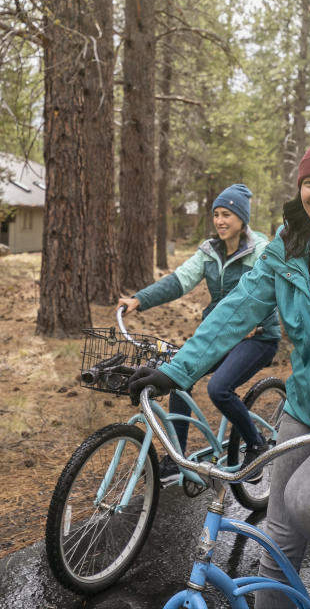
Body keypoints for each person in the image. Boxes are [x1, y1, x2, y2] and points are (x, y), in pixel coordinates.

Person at [129, 126, 310, 609]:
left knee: (309, 501)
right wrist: (176, 372)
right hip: (306, 407)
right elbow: (237, 309)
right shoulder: (287, 248)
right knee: (279, 540)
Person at [118, 183, 281, 482]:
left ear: (242, 218)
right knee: (180, 378)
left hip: (257, 337)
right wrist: (139, 300)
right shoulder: (209, 251)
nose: (220, 221)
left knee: (219, 389)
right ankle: (177, 455)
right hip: (219, 335)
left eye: (227, 215)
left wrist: (256, 325)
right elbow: (179, 281)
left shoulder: (261, 251)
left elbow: (274, 292)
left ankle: (257, 445)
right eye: (216, 214)